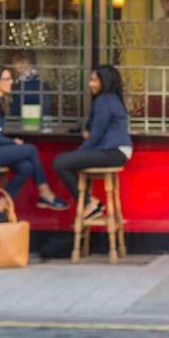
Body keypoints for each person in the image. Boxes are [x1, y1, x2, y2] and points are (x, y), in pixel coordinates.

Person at [0, 66, 69, 218]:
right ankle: (45, 193)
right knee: (30, 149)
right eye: (7, 79)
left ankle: (0, 204)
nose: (12, 82)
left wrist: (10, 142)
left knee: (26, 166)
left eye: (11, 78)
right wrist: (11, 142)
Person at [52, 65, 132, 221]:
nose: (90, 84)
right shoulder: (112, 99)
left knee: (60, 163)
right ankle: (91, 202)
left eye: (94, 80)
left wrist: (78, 154)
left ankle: (89, 204)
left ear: (105, 82)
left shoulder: (104, 101)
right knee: (65, 161)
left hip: (112, 152)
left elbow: (95, 136)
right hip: (116, 151)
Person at [8, 49, 52, 118]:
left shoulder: (28, 85)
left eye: (14, 63)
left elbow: (15, 112)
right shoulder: (42, 84)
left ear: (24, 63)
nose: (13, 66)